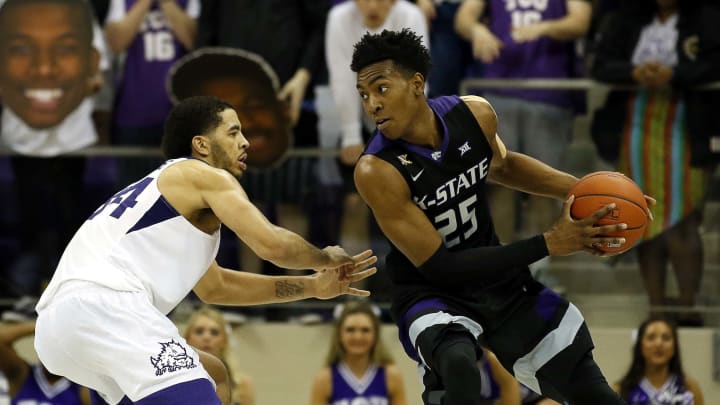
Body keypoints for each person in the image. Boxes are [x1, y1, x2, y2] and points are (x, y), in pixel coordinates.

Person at [351, 29, 649, 405]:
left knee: (592, 390)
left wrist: (584, 190)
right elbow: (442, 268)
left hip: (496, 280)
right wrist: (547, 243)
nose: (371, 104)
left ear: (416, 84)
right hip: (431, 292)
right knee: (458, 366)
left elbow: (503, 167)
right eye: (363, 94)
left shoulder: (474, 114)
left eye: (380, 88)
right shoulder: (376, 171)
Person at [33, 95, 377, 405]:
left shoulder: (166, 195)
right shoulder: (203, 175)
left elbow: (217, 287)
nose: (245, 143)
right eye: (233, 132)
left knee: (214, 374)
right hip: (107, 306)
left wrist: (314, 287)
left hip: (55, 331)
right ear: (201, 144)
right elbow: (272, 244)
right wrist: (325, 257)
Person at [591, 0, 720, 326]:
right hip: (634, 127)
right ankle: (658, 309)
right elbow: (601, 65)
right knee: (644, 221)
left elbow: (715, 63)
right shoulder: (625, 17)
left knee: (683, 222)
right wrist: (633, 72)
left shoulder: (708, 17)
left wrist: (674, 75)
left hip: (688, 127)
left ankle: (688, 309)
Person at [454, 0, 591, 247]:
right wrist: (477, 29)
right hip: (499, 91)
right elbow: (464, 17)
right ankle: (501, 261)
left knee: (547, 187)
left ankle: (543, 268)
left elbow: (581, 20)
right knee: (498, 181)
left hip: (548, 93)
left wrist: (543, 28)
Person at [0, 0, 104, 298]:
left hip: (73, 142)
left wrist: (65, 91)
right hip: (21, 143)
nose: (44, 68)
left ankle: (66, 294)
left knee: (69, 221)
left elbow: (99, 73)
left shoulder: (79, 9)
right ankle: (25, 294)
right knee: (27, 222)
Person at [105, 0, 200, 186]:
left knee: (184, 191)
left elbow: (193, 40)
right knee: (134, 191)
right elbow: (116, 42)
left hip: (183, 112)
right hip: (134, 111)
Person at [309, 301, 407, 405]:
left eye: (365, 330)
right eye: (350, 330)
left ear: (376, 334)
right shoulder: (324, 378)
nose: (358, 337)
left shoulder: (391, 375)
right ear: (339, 334)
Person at [614, 317, 704, 404]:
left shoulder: (690, 389)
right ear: (640, 346)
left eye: (666, 338)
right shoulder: (620, 390)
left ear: (674, 347)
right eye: (651, 337)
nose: (659, 344)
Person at [0, 321, 91, 404]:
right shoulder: (22, 375)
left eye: (59, 349)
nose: (54, 355)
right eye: (49, 347)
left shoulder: (81, 387)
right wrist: (43, 325)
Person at [183, 306, 256, 405]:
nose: (207, 337)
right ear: (186, 339)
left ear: (224, 342)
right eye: (199, 331)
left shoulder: (242, 384)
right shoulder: (175, 380)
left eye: (214, 332)